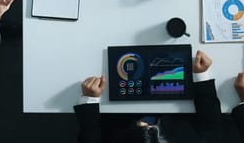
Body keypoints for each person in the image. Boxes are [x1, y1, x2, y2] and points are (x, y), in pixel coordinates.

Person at [73, 50, 222, 143]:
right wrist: (201, 75)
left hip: (120, 121)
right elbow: (211, 127)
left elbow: (89, 136)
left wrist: (89, 100)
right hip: (174, 118)